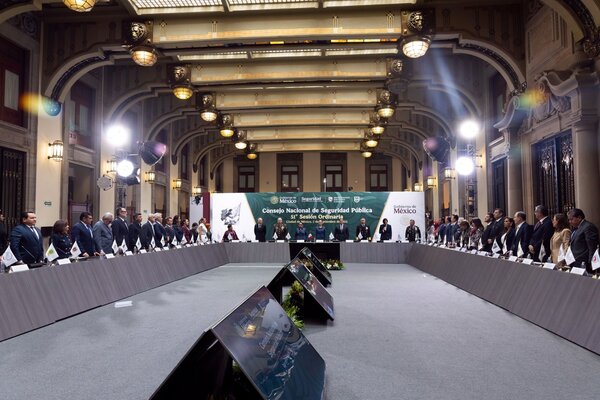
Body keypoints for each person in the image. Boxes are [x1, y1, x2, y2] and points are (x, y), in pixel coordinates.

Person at [567, 208, 599, 273]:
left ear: (579, 217)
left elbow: (592, 247)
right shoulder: (577, 228)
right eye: (569, 220)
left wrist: (591, 263)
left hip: (584, 263)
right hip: (576, 262)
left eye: (571, 219)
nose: (570, 222)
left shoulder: (588, 227)